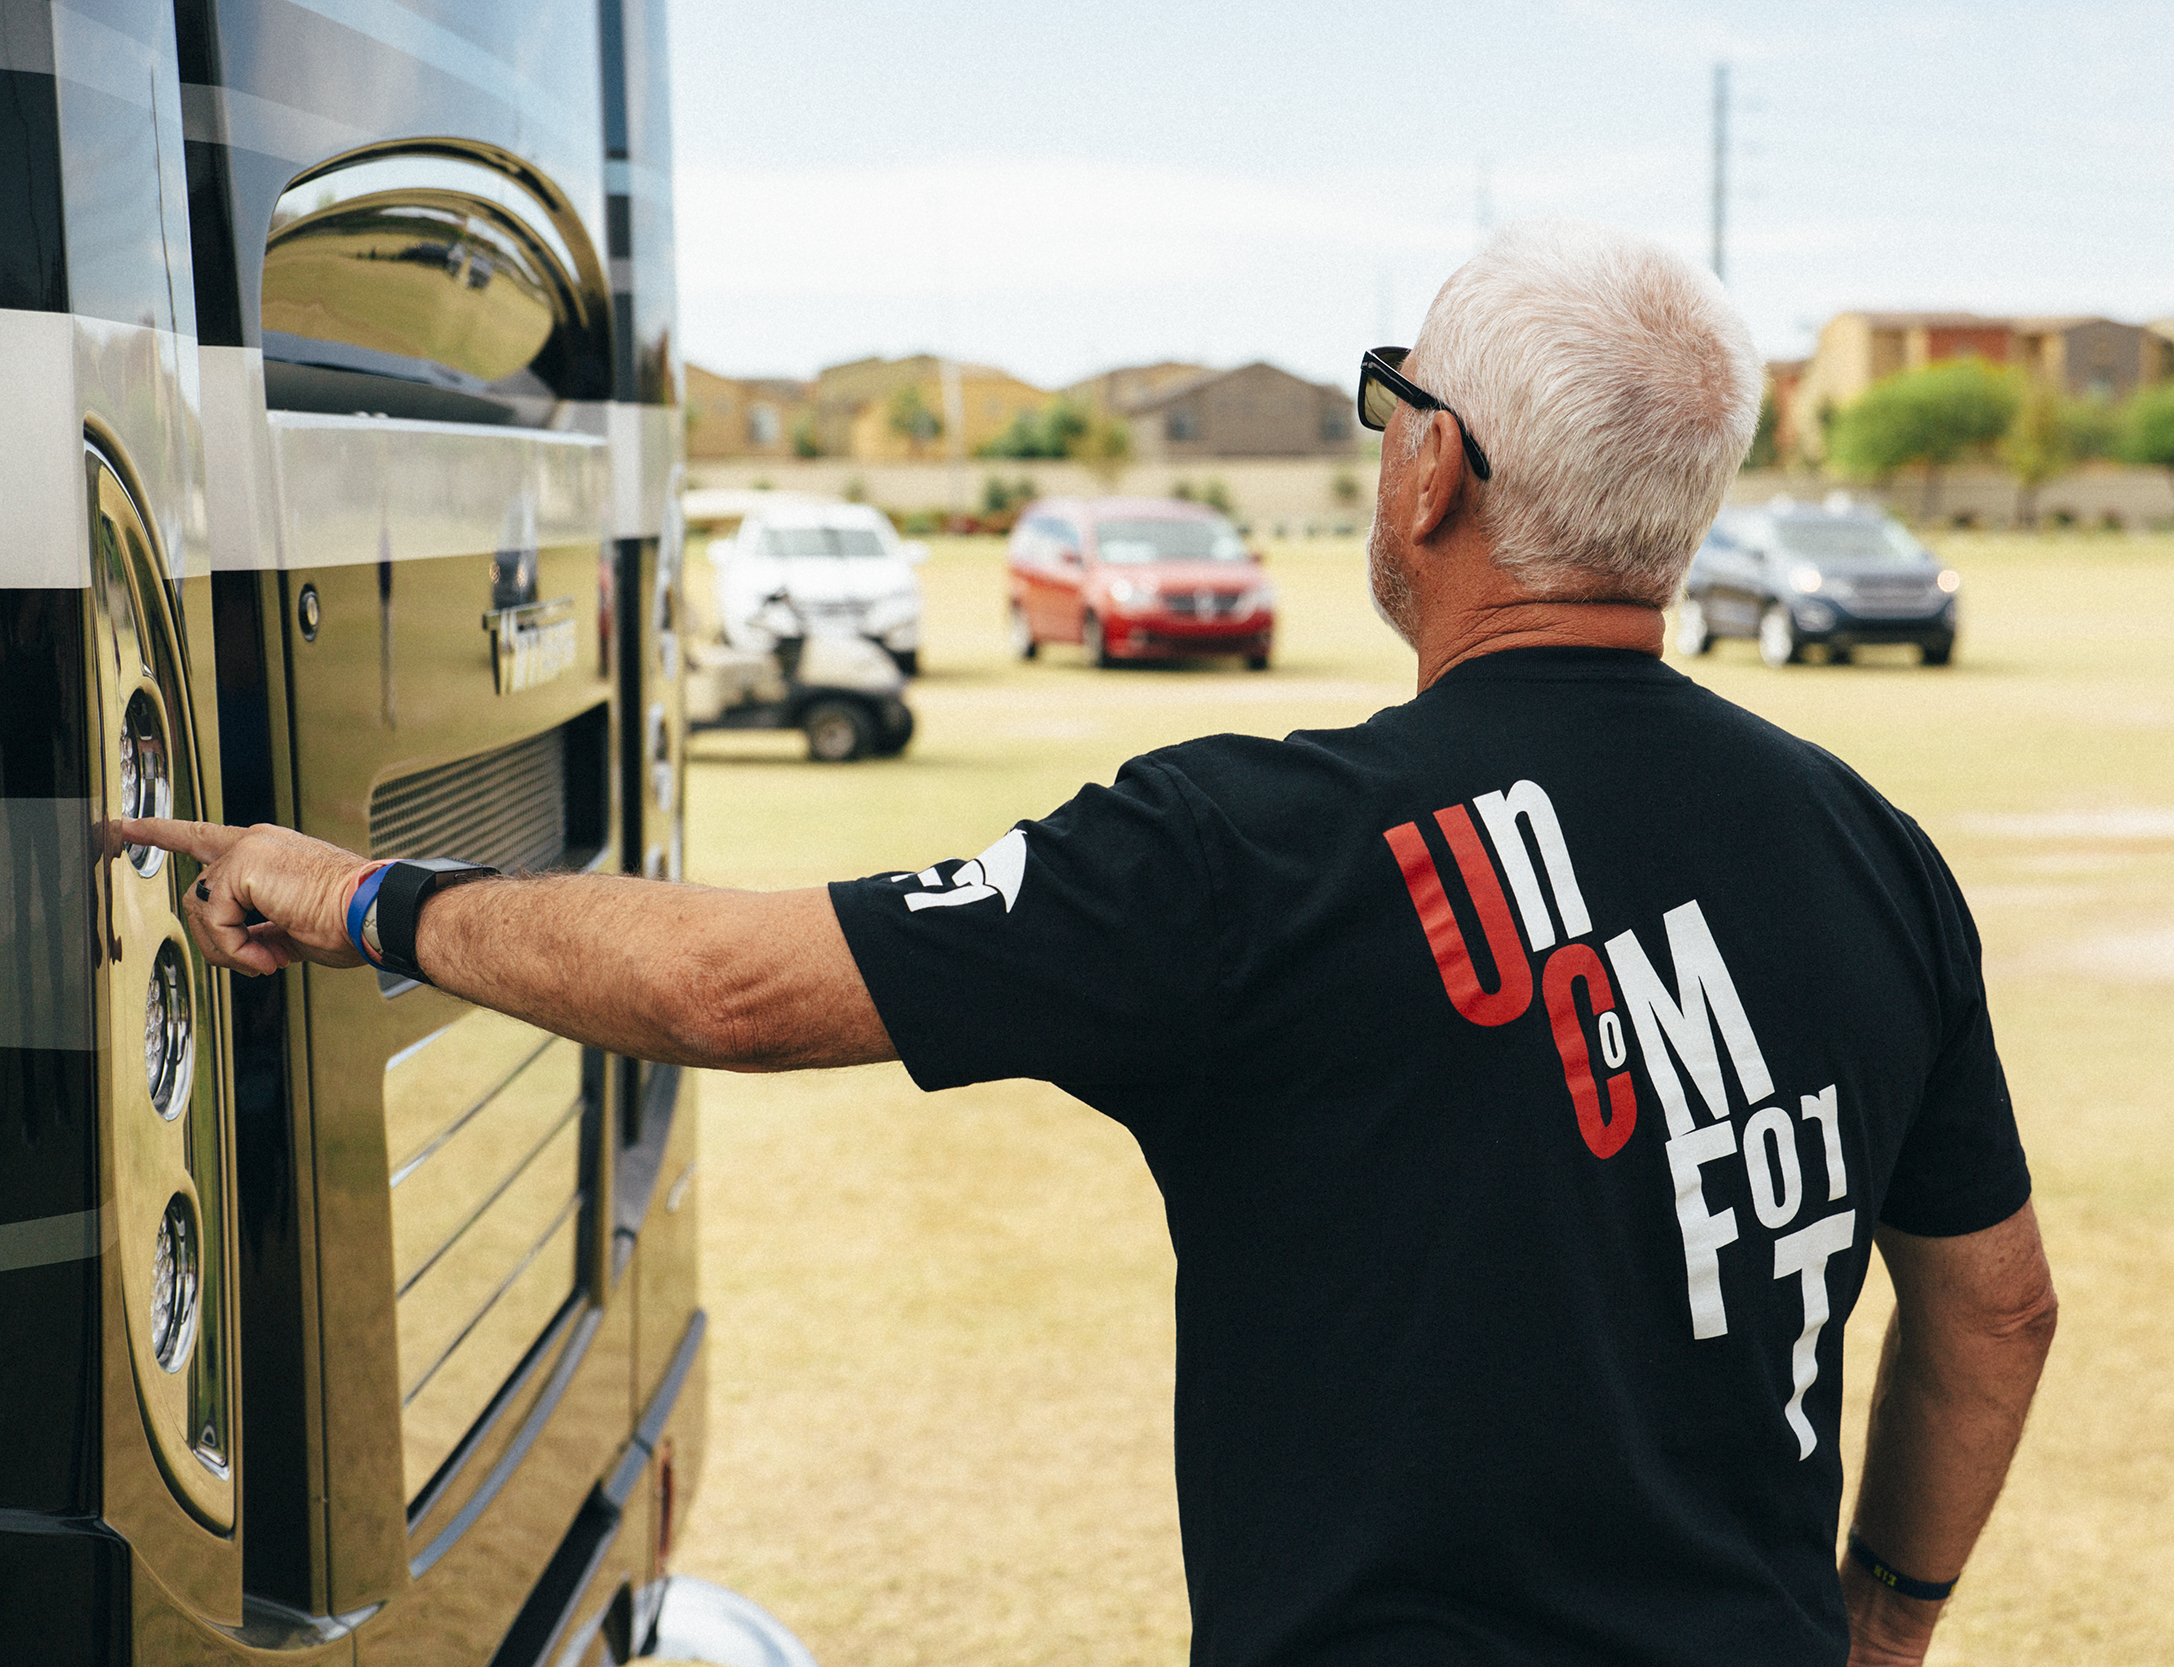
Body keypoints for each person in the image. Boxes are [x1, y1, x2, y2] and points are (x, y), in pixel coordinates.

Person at [132, 221, 2055, 1667]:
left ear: (1435, 469)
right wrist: (1882, 1624)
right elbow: (1996, 1306)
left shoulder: (1250, 847)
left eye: (1393, 401)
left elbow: (729, 983)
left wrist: (356, 893)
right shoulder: (1868, 851)